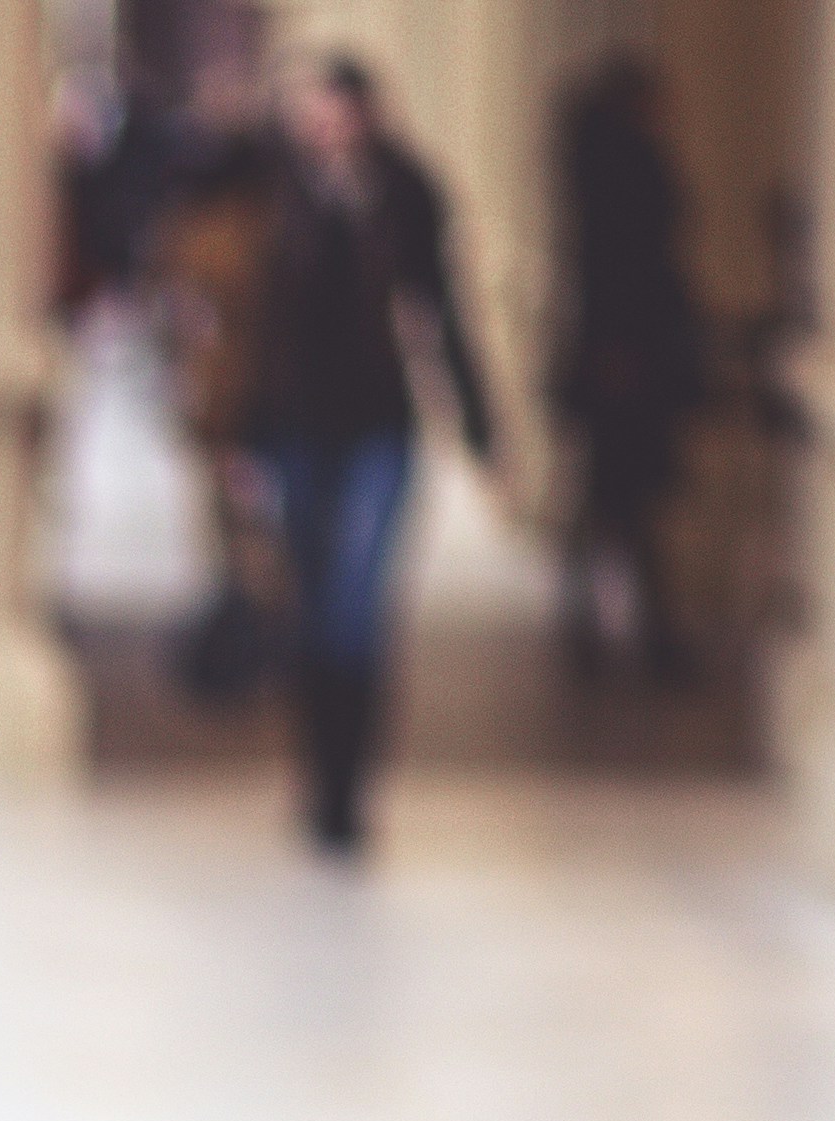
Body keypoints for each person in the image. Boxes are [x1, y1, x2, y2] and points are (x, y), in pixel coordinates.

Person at [238, 52, 493, 855]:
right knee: (310, 605)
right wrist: (236, 441)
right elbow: (251, 327)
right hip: (290, 428)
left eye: (343, 109)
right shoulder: (274, 192)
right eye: (317, 111)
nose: (331, 126)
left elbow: (443, 309)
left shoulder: (408, 192)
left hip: (381, 425)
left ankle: (351, 788)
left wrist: (481, 423)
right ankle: (316, 776)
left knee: (358, 605)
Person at [544, 51, 706, 683]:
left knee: (615, 499)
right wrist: (619, 353)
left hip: (622, 351)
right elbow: (622, 269)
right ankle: (636, 633)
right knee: (624, 499)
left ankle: (608, 627)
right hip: (626, 355)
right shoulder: (621, 170)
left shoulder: (596, 166)